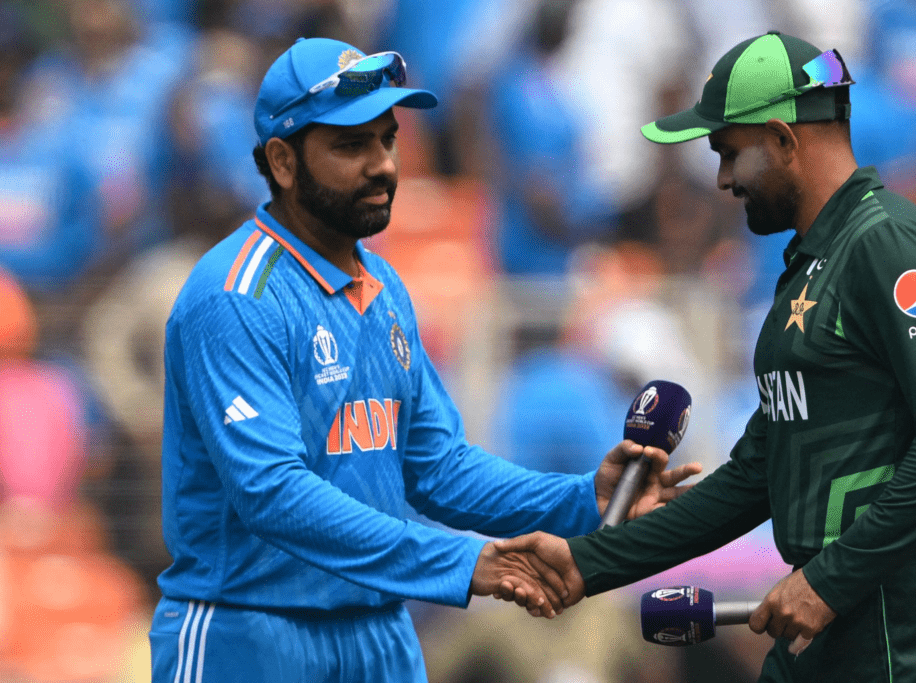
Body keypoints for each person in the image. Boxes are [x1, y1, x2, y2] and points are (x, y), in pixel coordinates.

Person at [147, 36, 700, 683]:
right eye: (350, 146)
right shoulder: (236, 297)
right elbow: (272, 494)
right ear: (283, 161)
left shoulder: (384, 288)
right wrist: (463, 563)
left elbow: (439, 468)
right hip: (252, 636)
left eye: (387, 140)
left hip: (378, 633)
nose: (382, 165)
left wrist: (583, 499)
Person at [496, 31, 916, 682]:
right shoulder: (809, 268)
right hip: (834, 606)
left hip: (899, 614)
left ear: (784, 140)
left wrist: (829, 581)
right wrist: (587, 561)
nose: (723, 179)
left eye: (730, 153)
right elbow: (755, 475)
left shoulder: (887, 242)